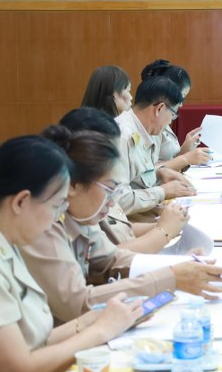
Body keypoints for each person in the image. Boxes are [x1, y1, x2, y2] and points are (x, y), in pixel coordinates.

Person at [20, 126, 222, 324]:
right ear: (74, 185)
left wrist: (179, 264)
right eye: (109, 190)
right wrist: (171, 276)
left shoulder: (81, 215)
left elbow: (111, 259)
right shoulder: (45, 225)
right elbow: (77, 303)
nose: (113, 203)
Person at [0, 136, 142, 372]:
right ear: (21, 201)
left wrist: (90, 321)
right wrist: (100, 331)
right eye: (57, 207)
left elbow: (34, 342)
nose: (57, 219)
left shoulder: (7, 240)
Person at [60, 107, 190, 252]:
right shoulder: (72, 210)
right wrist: (163, 231)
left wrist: (167, 225)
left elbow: (120, 229)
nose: (116, 159)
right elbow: (110, 259)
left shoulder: (95, 190)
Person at [114, 76, 195, 221]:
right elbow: (118, 200)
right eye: (173, 114)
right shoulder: (122, 136)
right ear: (159, 108)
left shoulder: (139, 129)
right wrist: (162, 191)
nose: (170, 121)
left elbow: (135, 181)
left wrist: (159, 174)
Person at [139, 59, 209, 170]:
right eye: (181, 97)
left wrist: (185, 150)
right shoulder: (153, 122)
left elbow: (168, 162)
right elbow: (148, 173)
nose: (181, 104)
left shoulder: (163, 116)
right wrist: (185, 158)